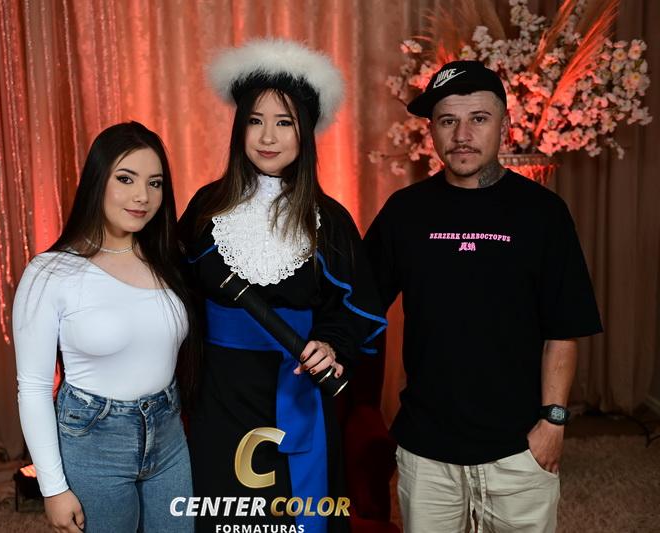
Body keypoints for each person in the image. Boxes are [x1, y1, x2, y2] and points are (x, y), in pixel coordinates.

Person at [364, 60, 603, 532]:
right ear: (432, 131)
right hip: (427, 449)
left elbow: (564, 329)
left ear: (504, 126)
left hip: (518, 447)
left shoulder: (543, 213)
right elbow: (358, 301)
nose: (461, 135)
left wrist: (553, 423)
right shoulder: (404, 212)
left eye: (478, 118)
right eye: (447, 121)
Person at [179, 39, 386, 533]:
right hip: (219, 393)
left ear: (306, 132)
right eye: (255, 121)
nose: (267, 136)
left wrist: (330, 345)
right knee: (223, 513)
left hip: (296, 388)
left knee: (295, 513)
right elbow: (174, 290)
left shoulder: (329, 219)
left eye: (284, 122)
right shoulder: (207, 207)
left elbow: (357, 309)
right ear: (239, 128)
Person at [12, 122, 197, 533]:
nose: (142, 196)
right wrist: (53, 487)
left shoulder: (169, 260)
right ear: (97, 181)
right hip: (94, 443)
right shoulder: (50, 273)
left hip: (169, 436)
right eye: (126, 179)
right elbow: (34, 387)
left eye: (154, 183)